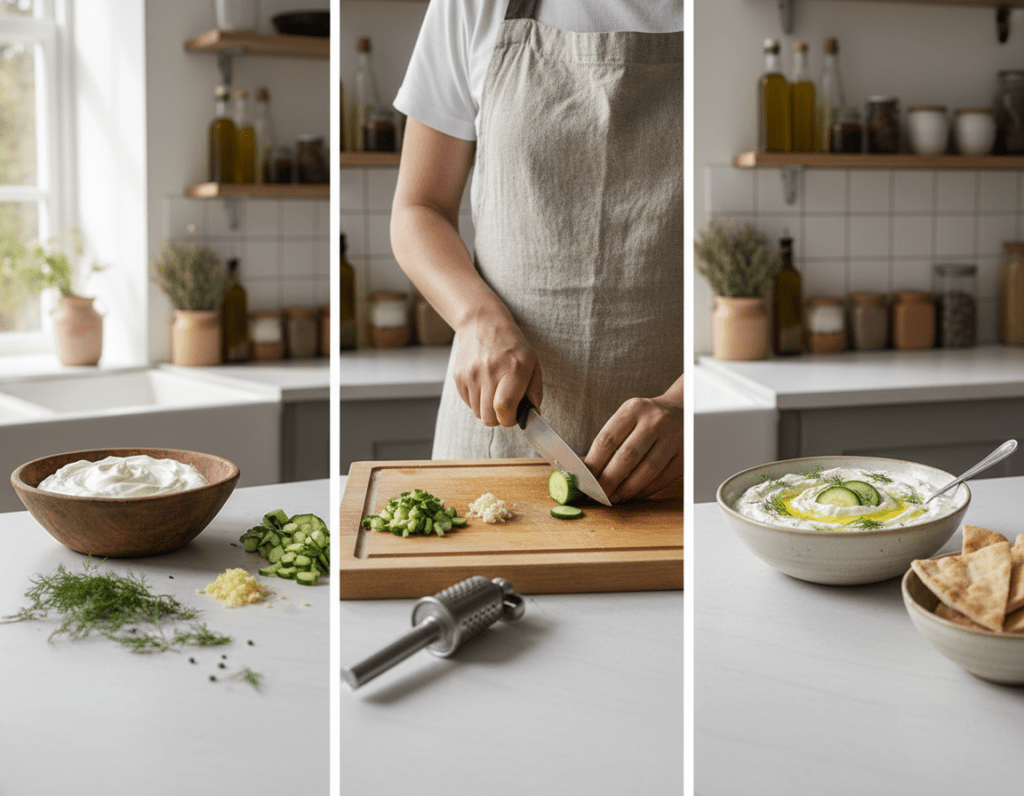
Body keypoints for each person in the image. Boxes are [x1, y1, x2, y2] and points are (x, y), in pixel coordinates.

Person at [391, 0, 684, 503]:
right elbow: (419, 208)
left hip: (670, 459)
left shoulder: (735, 18)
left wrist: (688, 404)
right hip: (497, 434)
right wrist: (477, 319)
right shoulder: (472, 6)